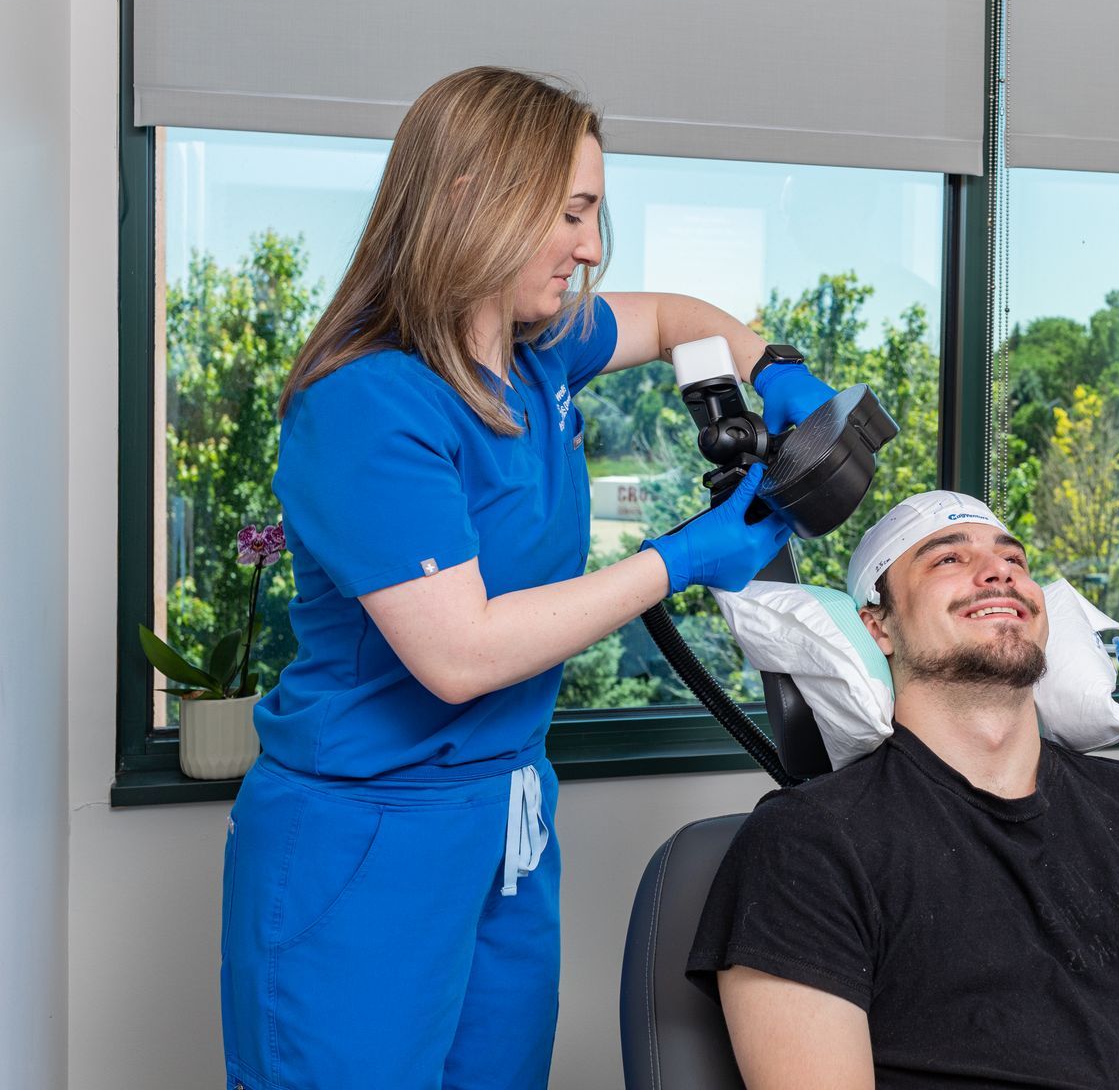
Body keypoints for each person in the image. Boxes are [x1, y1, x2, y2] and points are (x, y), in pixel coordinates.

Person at [221, 66, 842, 1090]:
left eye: (596, 212)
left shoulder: (536, 353)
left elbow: (676, 317)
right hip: (367, 842)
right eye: (571, 212)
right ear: (472, 197)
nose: (593, 246)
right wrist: (682, 556)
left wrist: (768, 363)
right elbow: (458, 653)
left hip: (505, 818)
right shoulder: (370, 403)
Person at [689, 491, 1119, 1090]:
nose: (999, 573)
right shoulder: (809, 844)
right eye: (949, 558)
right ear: (878, 627)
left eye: (1014, 559)